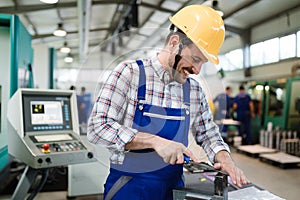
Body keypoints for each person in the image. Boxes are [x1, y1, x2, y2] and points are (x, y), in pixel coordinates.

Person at [88, 5, 249, 200]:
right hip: (129, 188)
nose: (197, 70)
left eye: (202, 63)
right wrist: (155, 142)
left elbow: (208, 133)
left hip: (174, 191)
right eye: (195, 59)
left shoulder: (194, 90)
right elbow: (97, 127)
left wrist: (224, 158)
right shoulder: (130, 74)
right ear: (174, 43)